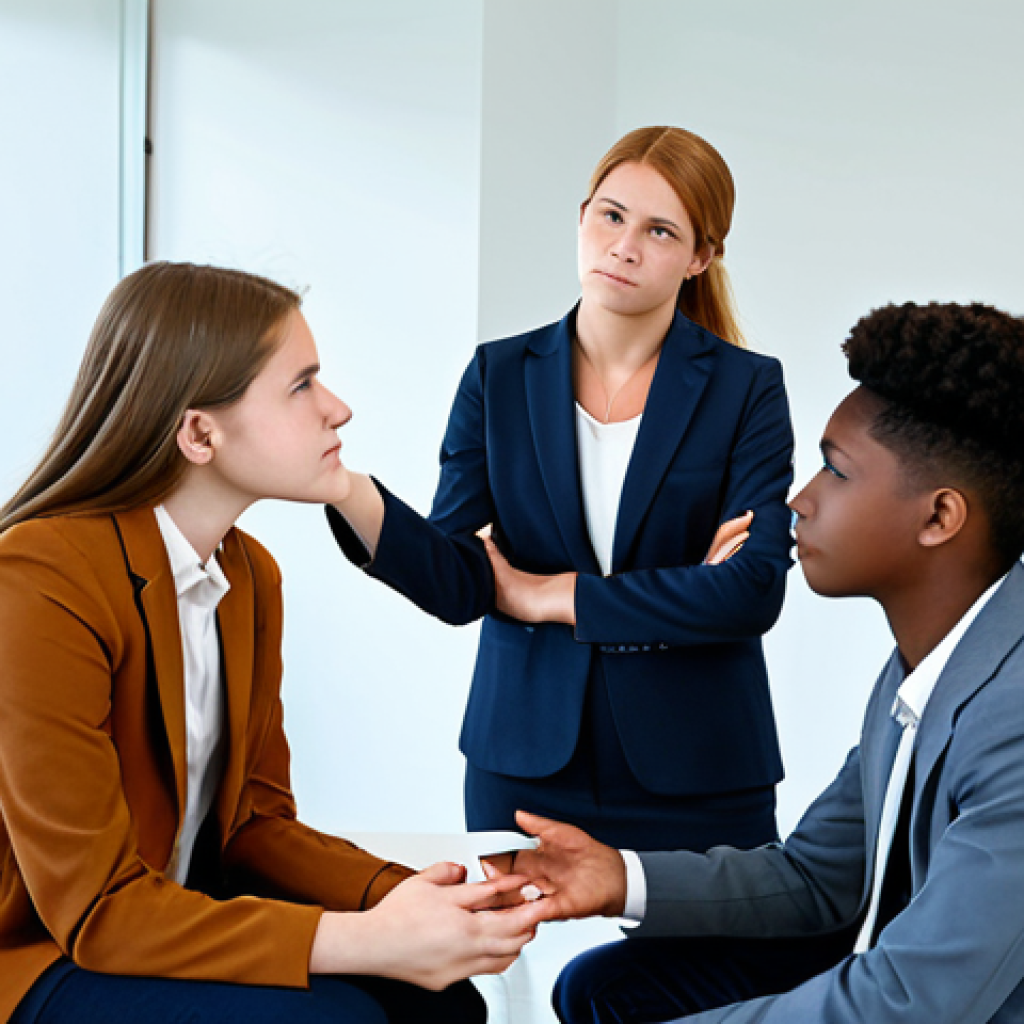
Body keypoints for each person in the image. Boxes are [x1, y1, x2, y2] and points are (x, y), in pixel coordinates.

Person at [0, 262, 551, 1024]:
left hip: (170, 924)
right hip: (41, 957)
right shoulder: (39, 578)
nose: (339, 409)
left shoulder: (248, 575)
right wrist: (366, 939)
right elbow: (97, 910)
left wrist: (414, 896)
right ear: (199, 431)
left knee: (446, 1006)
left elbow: (254, 827)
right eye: (302, 386)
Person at [503, 300, 1024, 1023]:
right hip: (888, 981)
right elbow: (817, 878)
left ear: (939, 517)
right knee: (603, 989)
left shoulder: (1016, 715)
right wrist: (617, 876)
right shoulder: (931, 666)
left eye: (835, 473)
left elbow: (914, 1001)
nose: (799, 501)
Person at [326, 125, 795, 852]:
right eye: (610, 215)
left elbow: (751, 590)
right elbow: (459, 580)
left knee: (717, 969)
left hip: (701, 768)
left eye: (660, 231)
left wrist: (546, 594)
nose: (624, 247)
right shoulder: (497, 377)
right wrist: (346, 489)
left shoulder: (747, 388)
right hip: (523, 761)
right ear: (582, 217)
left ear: (700, 257)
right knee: (495, 963)